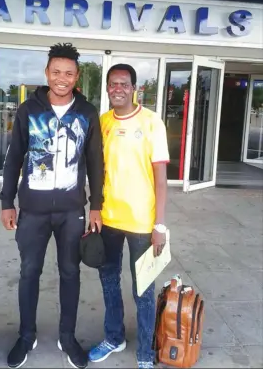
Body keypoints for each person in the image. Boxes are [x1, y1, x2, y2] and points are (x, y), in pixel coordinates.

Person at [0, 43, 104, 369]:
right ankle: (26, 335)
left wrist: (96, 206)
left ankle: (67, 336)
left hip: (72, 211)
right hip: (32, 210)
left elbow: (96, 163)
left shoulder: (86, 113)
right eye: (56, 72)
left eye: (69, 73)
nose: (62, 78)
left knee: (70, 273)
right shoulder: (28, 110)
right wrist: (7, 202)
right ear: (47, 73)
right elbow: (13, 157)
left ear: (77, 77)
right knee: (29, 272)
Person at [88, 64, 170, 369]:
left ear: (134, 88)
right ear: (107, 88)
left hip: (141, 223)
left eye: (124, 83)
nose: (117, 88)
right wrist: (94, 210)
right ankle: (114, 337)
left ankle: (146, 353)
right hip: (108, 219)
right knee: (109, 282)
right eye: (112, 84)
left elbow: (161, 179)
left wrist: (159, 224)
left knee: (143, 291)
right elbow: (97, 171)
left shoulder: (151, 123)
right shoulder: (103, 122)